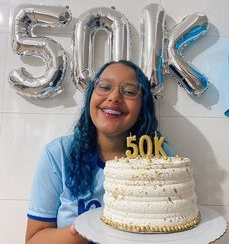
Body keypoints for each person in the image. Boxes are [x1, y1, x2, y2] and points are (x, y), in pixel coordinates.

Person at [25, 60, 173, 244]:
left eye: (129, 91)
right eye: (104, 87)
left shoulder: (159, 156)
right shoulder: (59, 154)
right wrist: (85, 229)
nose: (114, 97)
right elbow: (34, 240)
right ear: (90, 98)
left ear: (142, 106)